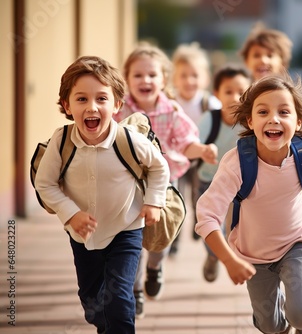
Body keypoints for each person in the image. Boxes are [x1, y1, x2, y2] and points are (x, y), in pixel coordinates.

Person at [195, 75, 302, 334]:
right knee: (270, 324)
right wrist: (228, 260)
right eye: (263, 111)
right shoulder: (237, 163)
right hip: (252, 254)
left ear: (298, 121)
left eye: (284, 112)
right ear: (250, 120)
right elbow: (207, 216)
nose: (274, 118)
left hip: (298, 243)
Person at [35, 55, 170, 333]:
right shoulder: (61, 142)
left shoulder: (129, 139)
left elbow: (159, 167)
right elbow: (44, 183)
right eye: (81, 99)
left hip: (126, 229)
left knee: (120, 300)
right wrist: (70, 213)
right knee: (93, 304)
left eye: (101, 99)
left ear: (117, 104)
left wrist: (153, 202)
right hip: (82, 236)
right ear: (67, 106)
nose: (92, 107)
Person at [114, 43, 217, 319]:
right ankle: (135, 291)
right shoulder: (118, 108)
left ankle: (155, 267)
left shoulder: (171, 111)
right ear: (127, 78)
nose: (145, 80)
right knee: (131, 238)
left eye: (152, 75)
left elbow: (186, 142)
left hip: (163, 184)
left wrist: (202, 151)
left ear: (163, 79)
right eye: (137, 75)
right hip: (128, 186)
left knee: (161, 237)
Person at [196, 65, 251, 282]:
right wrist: (203, 153)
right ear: (216, 94)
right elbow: (195, 144)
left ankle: (232, 258)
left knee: (232, 229)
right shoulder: (209, 119)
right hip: (207, 180)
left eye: (241, 91)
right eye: (228, 91)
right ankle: (213, 255)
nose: (235, 97)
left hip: (237, 185)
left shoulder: (251, 121)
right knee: (207, 223)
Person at [171, 42, 222, 245]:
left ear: (205, 78)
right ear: (175, 78)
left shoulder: (209, 103)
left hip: (200, 157)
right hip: (176, 157)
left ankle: (197, 224)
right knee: (176, 197)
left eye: (194, 75)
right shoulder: (171, 101)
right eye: (183, 75)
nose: (189, 80)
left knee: (197, 196)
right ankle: (173, 239)